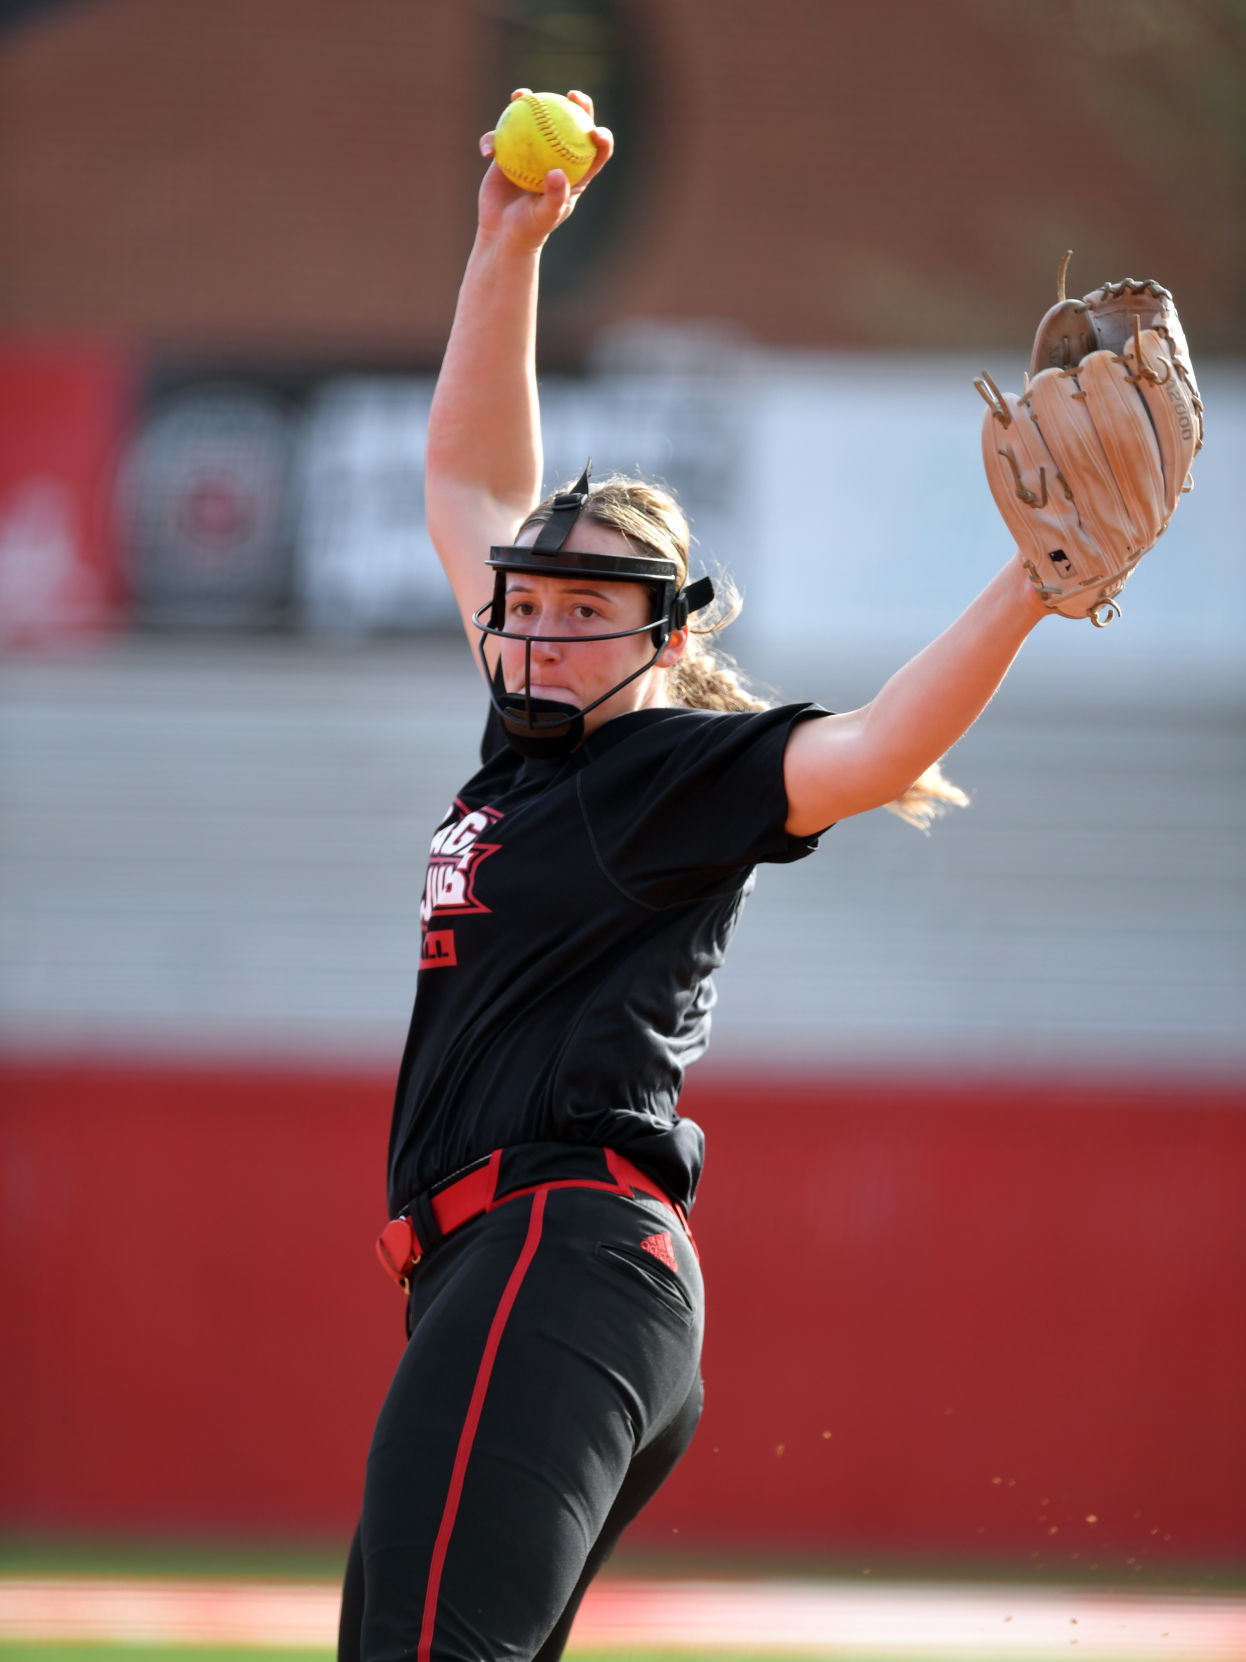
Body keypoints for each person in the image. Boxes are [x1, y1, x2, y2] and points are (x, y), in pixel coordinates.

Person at [338, 89, 1049, 1662]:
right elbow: (464, 481)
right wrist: (502, 246)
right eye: (528, 598)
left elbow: (865, 754)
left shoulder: (651, 771)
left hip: (558, 1255)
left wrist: (1031, 581)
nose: (535, 623)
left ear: (665, 641)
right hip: (507, 1275)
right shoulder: (535, 742)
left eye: (587, 608)